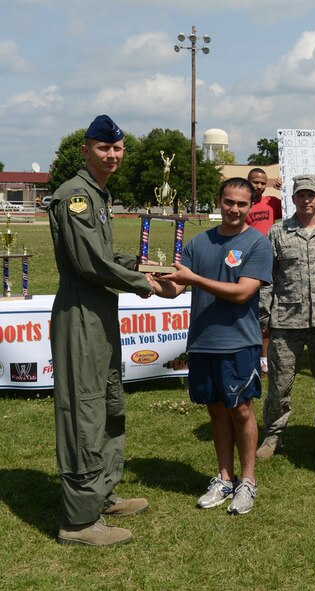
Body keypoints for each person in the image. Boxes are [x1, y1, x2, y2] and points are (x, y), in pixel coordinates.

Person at [49, 115, 158, 546]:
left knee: (109, 399)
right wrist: (144, 283)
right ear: (86, 150)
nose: (111, 155)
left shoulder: (97, 193)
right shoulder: (76, 195)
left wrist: (139, 266)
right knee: (84, 410)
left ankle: (102, 494)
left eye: (117, 148)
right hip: (80, 314)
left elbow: (104, 253)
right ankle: (78, 522)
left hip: (100, 310)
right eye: (102, 148)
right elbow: (89, 262)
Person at [157, 177, 272, 514]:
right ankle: (224, 477)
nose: (234, 209)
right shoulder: (197, 243)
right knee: (216, 409)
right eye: (228, 202)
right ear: (218, 202)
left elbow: (242, 293)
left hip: (239, 341)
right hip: (204, 342)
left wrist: (193, 280)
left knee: (241, 409)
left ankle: (248, 481)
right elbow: (176, 289)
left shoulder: (257, 244)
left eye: (241, 204)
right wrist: (148, 284)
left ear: (251, 207)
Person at [257, 174, 315, 462]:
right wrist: (264, 317)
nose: (306, 200)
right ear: (293, 198)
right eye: (301, 195)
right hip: (286, 322)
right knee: (280, 384)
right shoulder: (278, 232)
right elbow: (267, 278)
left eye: (311, 195)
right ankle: (273, 435)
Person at [244, 167, 283, 374]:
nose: (258, 185)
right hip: (248, 262)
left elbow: (293, 208)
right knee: (251, 313)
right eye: (255, 181)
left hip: (271, 261)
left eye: (262, 182)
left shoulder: (272, 203)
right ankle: (248, 354)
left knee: (267, 314)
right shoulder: (242, 204)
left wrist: (283, 190)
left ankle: (264, 360)